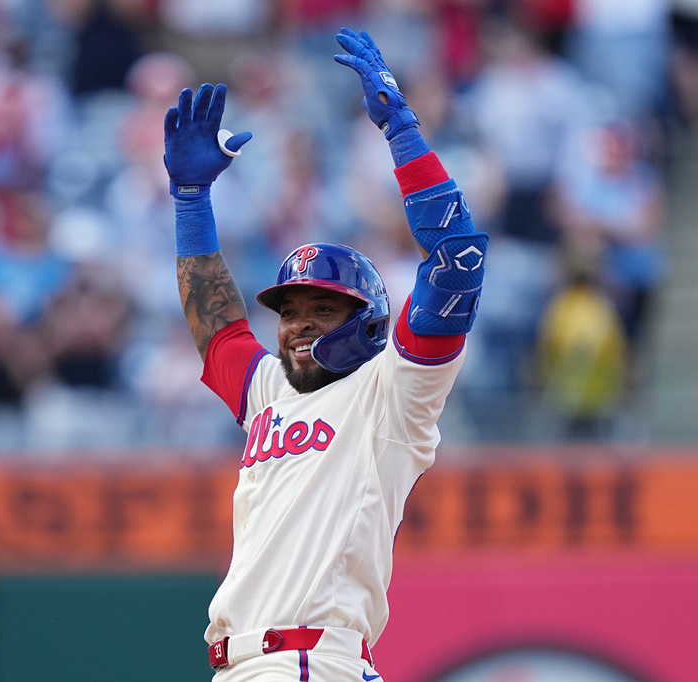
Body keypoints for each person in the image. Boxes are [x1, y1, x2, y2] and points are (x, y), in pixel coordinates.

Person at [163, 28, 488, 681]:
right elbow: (219, 326)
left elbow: (458, 263)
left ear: (366, 322)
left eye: (321, 309)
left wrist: (401, 130)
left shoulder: (395, 391)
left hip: (307, 660)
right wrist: (191, 202)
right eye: (289, 311)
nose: (297, 324)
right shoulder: (268, 391)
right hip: (248, 665)